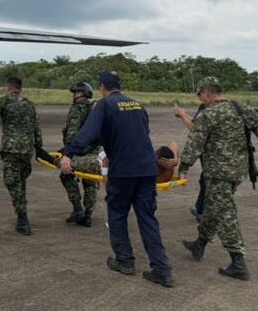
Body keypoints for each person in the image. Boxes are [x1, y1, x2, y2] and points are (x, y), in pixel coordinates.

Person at [60, 70, 174, 288]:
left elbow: (88, 134)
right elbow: (141, 133)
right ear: (119, 86)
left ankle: (125, 261)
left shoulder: (105, 105)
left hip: (123, 171)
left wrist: (69, 153)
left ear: (102, 87)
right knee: (148, 218)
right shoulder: (138, 105)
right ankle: (162, 270)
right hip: (147, 169)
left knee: (118, 214)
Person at [177, 77, 258, 281]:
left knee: (225, 215)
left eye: (199, 95)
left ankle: (238, 262)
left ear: (206, 92)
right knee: (214, 208)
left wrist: (184, 167)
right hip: (238, 172)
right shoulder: (241, 108)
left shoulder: (209, 113)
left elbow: (195, 142)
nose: (200, 99)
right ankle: (199, 244)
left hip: (218, 174)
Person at [0, 76, 42, 235]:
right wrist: (39, 148)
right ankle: (22, 213)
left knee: (11, 181)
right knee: (20, 181)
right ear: (20, 88)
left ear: (7, 87)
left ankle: (22, 217)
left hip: (11, 149)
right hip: (26, 150)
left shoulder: (2, 101)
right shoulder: (29, 104)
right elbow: (37, 127)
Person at [60, 82, 99, 227]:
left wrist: (68, 151)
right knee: (90, 181)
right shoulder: (95, 109)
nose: (74, 95)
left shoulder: (77, 109)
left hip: (78, 152)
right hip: (94, 151)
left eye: (76, 93)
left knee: (65, 175)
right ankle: (88, 215)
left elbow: (72, 133)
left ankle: (78, 209)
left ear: (82, 94)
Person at [174, 103, 207, 222]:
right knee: (205, 181)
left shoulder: (207, 108)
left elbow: (196, 130)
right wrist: (183, 114)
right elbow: (196, 123)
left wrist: (182, 115)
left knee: (208, 181)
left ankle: (203, 212)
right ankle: (200, 209)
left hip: (212, 156)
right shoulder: (217, 107)